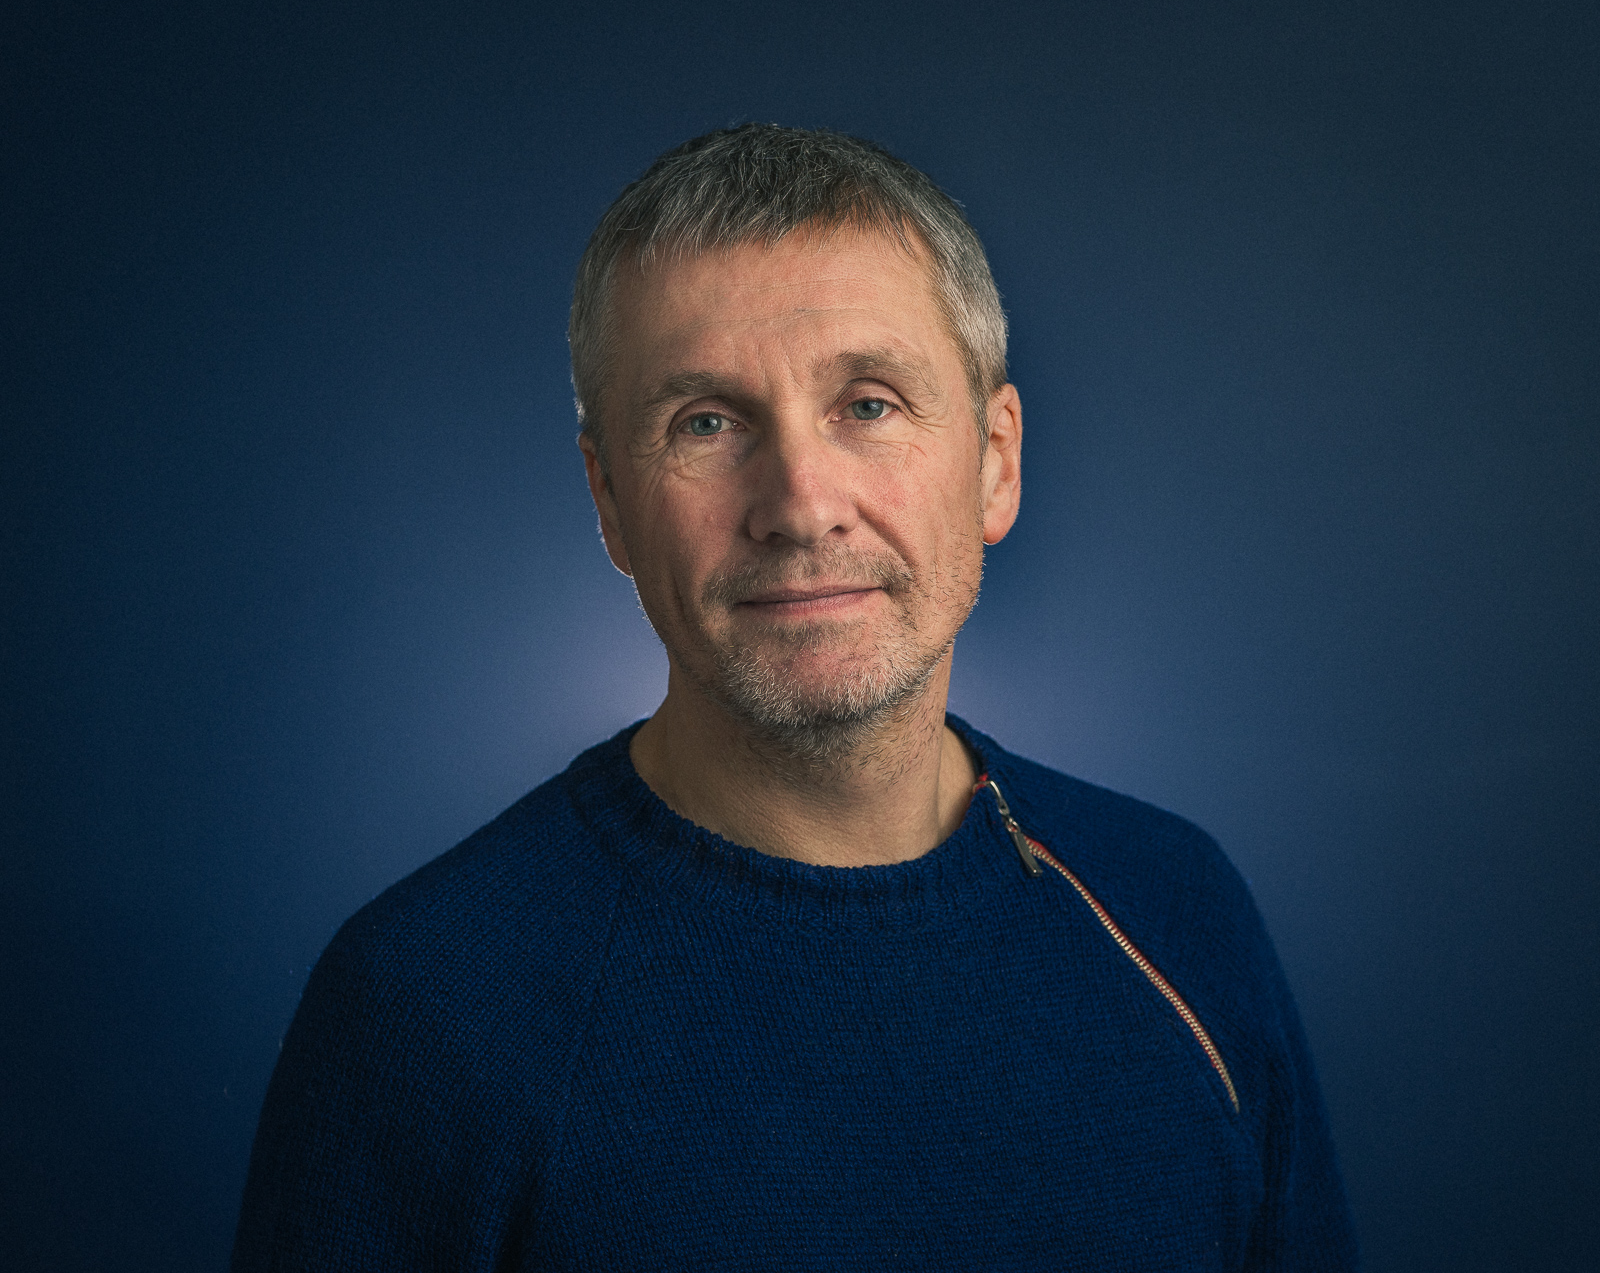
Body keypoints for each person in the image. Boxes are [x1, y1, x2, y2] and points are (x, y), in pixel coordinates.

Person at [232, 124, 1358, 1270]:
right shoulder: (427, 1008)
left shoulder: (1176, 909)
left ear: (995, 461)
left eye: (868, 404)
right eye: (706, 423)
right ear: (609, 502)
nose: (801, 503)